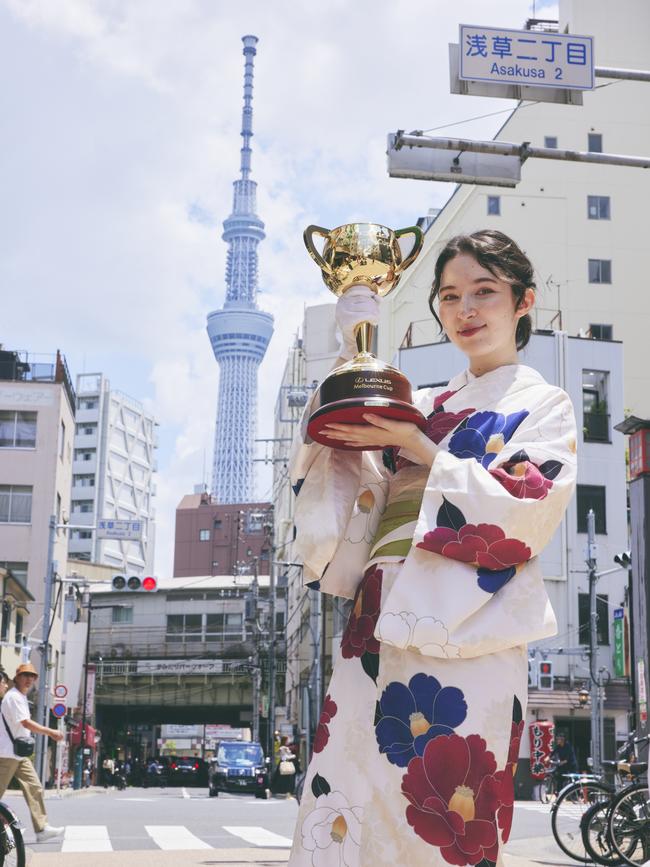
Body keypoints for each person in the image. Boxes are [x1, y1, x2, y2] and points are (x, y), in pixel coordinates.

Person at [287, 230, 577, 866]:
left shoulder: (545, 405)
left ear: (523, 301)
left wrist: (423, 450)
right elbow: (353, 491)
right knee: (351, 792)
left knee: (444, 806)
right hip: (379, 615)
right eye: (449, 296)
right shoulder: (421, 402)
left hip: (468, 627)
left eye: (484, 292)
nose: (465, 310)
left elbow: (526, 510)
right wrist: (348, 353)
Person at [0, 663, 64, 842]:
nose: (29, 679)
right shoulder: (13, 697)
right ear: (17, 677)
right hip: (6, 753)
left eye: (32, 676)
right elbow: (26, 723)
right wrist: (50, 732)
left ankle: (41, 828)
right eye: (25, 675)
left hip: (17, 754)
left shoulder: (20, 697)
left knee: (35, 787)